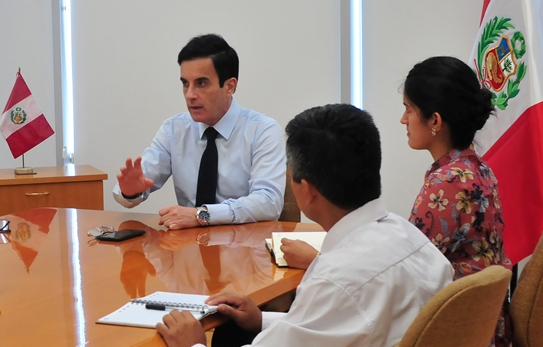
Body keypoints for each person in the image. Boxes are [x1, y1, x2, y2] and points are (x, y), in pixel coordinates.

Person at [155, 104, 454, 347]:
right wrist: (262, 320)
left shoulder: (334, 279)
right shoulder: (413, 239)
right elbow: (336, 326)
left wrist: (193, 345)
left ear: (307, 190)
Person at [113, 34, 286, 230]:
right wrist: (130, 192)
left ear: (229, 87)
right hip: (188, 243)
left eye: (201, 84)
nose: (190, 95)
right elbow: (133, 188)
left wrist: (202, 215)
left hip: (244, 243)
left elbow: (268, 202)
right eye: (185, 83)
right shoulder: (173, 129)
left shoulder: (262, 131)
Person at [400, 56, 513, 347]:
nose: (403, 120)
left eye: (408, 109)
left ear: (435, 121)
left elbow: (404, 272)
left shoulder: (446, 182)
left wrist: (321, 262)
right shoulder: (479, 168)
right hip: (487, 326)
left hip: (454, 331)